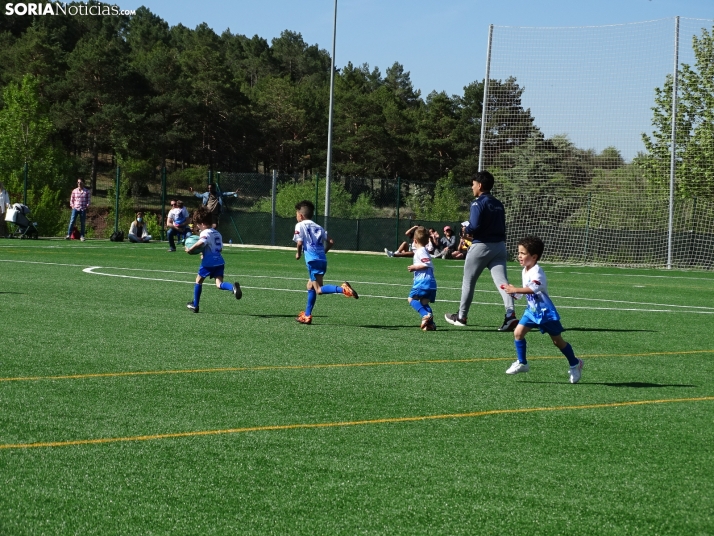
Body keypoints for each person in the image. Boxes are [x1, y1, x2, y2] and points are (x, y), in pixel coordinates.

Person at [501, 235, 583, 383]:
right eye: (518, 252)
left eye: (523, 253)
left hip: (545, 313)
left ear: (534, 256)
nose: (519, 256)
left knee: (557, 341)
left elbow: (533, 289)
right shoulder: (525, 270)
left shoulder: (537, 272)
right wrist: (515, 292)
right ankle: (522, 363)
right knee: (518, 333)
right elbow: (526, 291)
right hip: (532, 311)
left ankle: (575, 363)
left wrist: (516, 290)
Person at [444, 171, 518, 331]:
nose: (472, 187)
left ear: (480, 185)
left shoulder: (477, 203)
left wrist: (465, 230)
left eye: (473, 184)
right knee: (503, 282)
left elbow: (474, 226)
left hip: (481, 246)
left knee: (468, 281)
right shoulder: (498, 203)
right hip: (499, 246)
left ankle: (461, 316)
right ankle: (510, 315)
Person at [293, 200, 358, 324]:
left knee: (318, 289)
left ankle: (343, 289)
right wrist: (324, 251)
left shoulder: (300, 225)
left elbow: (300, 242)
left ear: (300, 215)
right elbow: (331, 241)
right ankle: (307, 315)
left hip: (312, 260)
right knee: (310, 286)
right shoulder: (318, 226)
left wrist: (298, 253)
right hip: (322, 259)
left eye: (296, 213)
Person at [185, 206, 242, 313]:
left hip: (208, 263)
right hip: (219, 262)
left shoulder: (205, 232)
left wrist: (190, 250)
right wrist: (204, 252)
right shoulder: (217, 233)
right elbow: (219, 249)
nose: (197, 227)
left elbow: (202, 242)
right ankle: (232, 288)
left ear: (202, 223)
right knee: (219, 284)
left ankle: (195, 305)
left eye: (198, 224)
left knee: (198, 280)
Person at [407, 226, 438, 331]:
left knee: (411, 299)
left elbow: (426, 263)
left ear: (415, 241)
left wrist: (415, 267)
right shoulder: (423, 250)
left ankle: (425, 315)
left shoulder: (421, 251)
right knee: (424, 302)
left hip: (423, 282)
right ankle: (430, 324)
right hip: (431, 283)